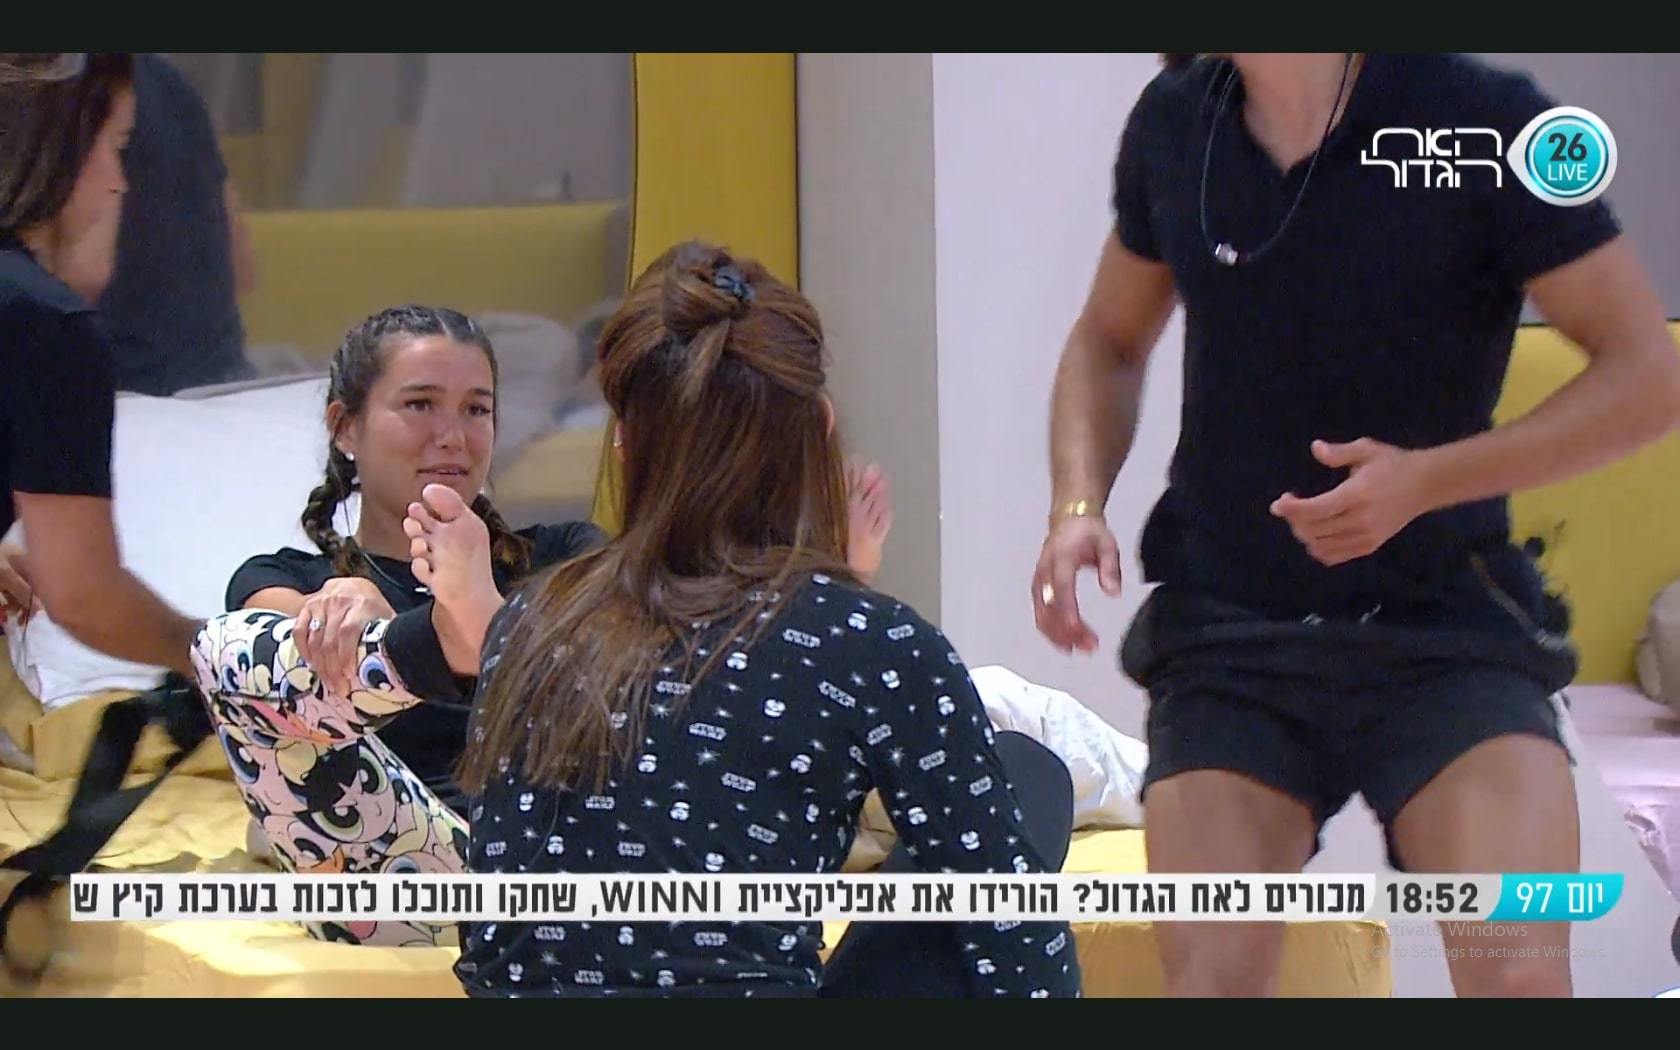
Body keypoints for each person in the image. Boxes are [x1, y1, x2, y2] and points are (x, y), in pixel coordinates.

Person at [1034, 52, 1680, 998]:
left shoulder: (1482, 119)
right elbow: (1109, 339)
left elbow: (1645, 375)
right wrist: (1076, 505)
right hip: (1233, 633)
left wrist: (1427, 481)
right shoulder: (1177, 123)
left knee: (1520, 980)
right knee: (1212, 986)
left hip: (1449, 629)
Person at [406, 241, 1081, 997]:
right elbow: (1019, 945)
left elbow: (498, 936)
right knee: (1028, 776)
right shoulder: (870, 640)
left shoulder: (529, 617)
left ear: (624, 443)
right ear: (819, 425)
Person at [197, 303, 903, 949]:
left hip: (579, 846)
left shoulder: (563, 555)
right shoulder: (287, 576)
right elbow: (264, 673)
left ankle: (812, 602)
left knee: (689, 676)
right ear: (344, 426)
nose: (453, 436)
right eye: (419, 404)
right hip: (412, 868)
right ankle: (431, 645)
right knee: (239, 653)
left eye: (477, 409)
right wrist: (347, 613)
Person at [0, 53, 202, 677]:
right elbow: (83, 595)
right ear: (58, 145)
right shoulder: (45, 328)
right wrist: (216, 655)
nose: (119, 181)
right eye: (114, 145)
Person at [97, 52, 256, 396]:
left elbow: (71, 275)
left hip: (123, 395)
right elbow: (243, 268)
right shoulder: (169, 84)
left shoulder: (63, 89)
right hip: (227, 384)